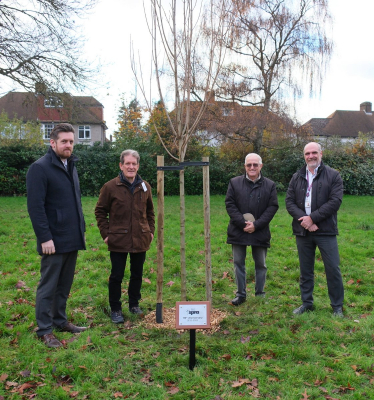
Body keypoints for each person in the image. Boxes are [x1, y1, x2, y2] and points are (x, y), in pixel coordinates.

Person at [26, 123, 87, 348]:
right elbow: (35, 207)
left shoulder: (71, 165)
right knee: (48, 285)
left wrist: (80, 229)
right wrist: (44, 237)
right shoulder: (39, 168)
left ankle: (60, 321)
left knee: (64, 284)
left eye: (71, 141)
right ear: (52, 143)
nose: (68, 145)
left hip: (72, 236)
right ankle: (44, 329)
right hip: (53, 240)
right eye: (64, 141)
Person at [95, 149, 155, 323]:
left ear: (138, 166)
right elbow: (100, 211)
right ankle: (115, 309)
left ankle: (134, 304)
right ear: (121, 166)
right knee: (117, 275)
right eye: (127, 163)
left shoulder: (145, 186)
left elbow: (150, 211)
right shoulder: (110, 187)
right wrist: (106, 234)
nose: (131, 167)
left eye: (134, 164)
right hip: (118, 239)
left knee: (137, 274)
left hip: (141, 238)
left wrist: (150, 231)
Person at [285, 142, 344, 317]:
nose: (310, 156)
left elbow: (335, 202)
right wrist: (305, 220)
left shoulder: (333, 175)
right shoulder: (297, 176)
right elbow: (289, 202)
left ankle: (337, 306)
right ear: (304, 156)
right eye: (307, 153)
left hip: (325, 230)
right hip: (303, 230)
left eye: (314, 153)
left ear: (321, 154)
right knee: (305, 270)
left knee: (333, 268)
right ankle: (307, 303)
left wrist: (313, 218)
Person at [225, 153, 279, 305]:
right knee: (238, 263)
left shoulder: (270, 185)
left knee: (261, 264)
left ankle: (260, 294)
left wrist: (257, 224)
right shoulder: (234, 183)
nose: (252, 167)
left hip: (260, 231)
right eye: (249, 165)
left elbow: (272, 206)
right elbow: (230, 204)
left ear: (261, 166)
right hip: (238, 230)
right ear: (245, 167)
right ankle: (240, 295)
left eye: (255, 164)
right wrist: (243, 224)